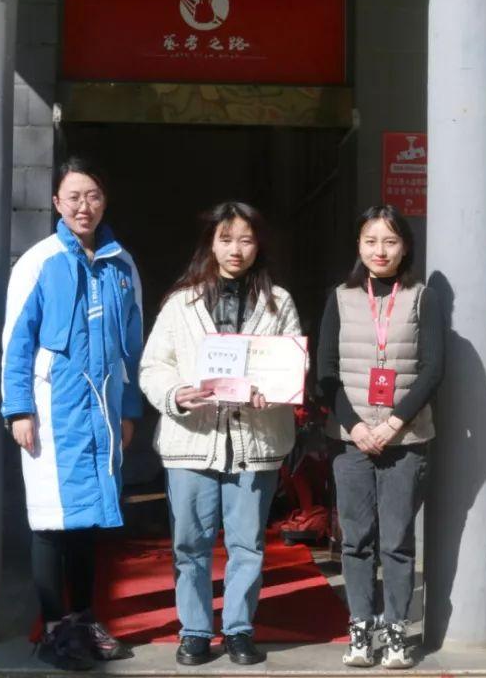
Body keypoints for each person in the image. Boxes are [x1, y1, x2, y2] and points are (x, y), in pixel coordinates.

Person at [139, 202, 301, 666]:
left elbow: (292, 365)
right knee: (190, 543)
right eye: (226, 239)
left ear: (258, 245)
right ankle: (194, 630)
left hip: (256, 442)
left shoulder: (279, 302)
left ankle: (238, 630)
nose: (236, 249)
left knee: (247, 543)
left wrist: (275, 392)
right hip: (191, 441)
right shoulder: (181, 303)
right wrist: (175, 394)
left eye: (245, 240)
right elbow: (153, 366)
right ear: (210, 243)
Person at [1, 157, 143, 671]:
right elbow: (15, 342)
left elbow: (133, 346)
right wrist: (18, 409)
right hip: (51, 411)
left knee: (88, 519)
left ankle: (83, 619)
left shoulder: (122, 265)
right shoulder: (38, 262)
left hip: (102, 411)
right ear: (57, 203)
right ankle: (54, 627)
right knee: (49, 519)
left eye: (93, 196)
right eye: (74, 197)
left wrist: (130, 410)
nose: (85, 206)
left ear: (104, 201)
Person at [317, 204, 444, 670]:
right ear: (359, 245)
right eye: (371, 241)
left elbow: (433, 369)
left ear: (405, 246)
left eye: (390, 241)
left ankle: (395, 632)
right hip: (351, 441)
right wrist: (355, 426)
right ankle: (360, 628)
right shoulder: (340, 297)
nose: (380, 250)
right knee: (355, 540)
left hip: (405, 442)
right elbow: (325, 371)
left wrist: (393, 424)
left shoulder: (422, 297)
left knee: (397, 541)